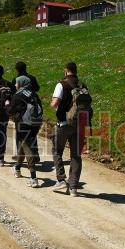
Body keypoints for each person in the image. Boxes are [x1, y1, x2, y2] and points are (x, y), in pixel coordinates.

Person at [51, 62, 85, 197]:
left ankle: (61, 180)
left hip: (64, 124)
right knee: (76, 155)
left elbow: (54, 104)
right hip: (79, 124)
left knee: (57, 151)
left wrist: (56, 106)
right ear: (75, 71)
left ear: (66, 71)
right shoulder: (83, 85)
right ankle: (73, 188)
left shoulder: (62, 84)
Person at [8, 75, 43, 187]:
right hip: (36, 123)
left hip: (24, 123)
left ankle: (33, 177)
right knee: (23, 144)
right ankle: (17, 168)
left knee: (27, 147)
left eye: (17, 82)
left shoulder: (18, 95)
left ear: (21, 83)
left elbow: (10, 111)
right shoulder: (34, 94)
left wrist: (6, 104)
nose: (15, 85)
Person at [15, 61, 41, 163]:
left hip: (21, 110)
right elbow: (37, 88)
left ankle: (20, 156)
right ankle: (35, 153)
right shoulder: (32, 78)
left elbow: (15, 93)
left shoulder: (16, 79)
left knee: (20, 134)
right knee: (32, 133)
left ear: (17, 69)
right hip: (33, 106)